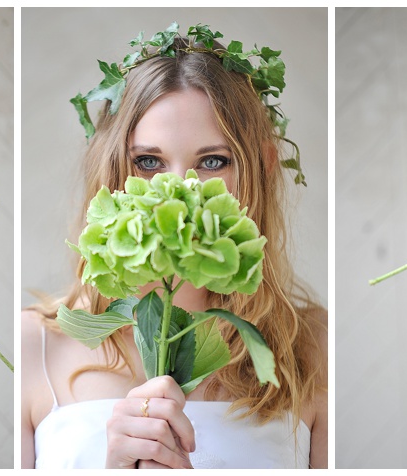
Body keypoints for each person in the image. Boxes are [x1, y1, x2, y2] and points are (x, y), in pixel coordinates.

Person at [21, 23, 327, 469]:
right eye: (149, 162)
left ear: (259, 169)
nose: (179, 192)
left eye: (213, 161)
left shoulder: (314, 348)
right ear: (112, 172)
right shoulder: (35, 345)